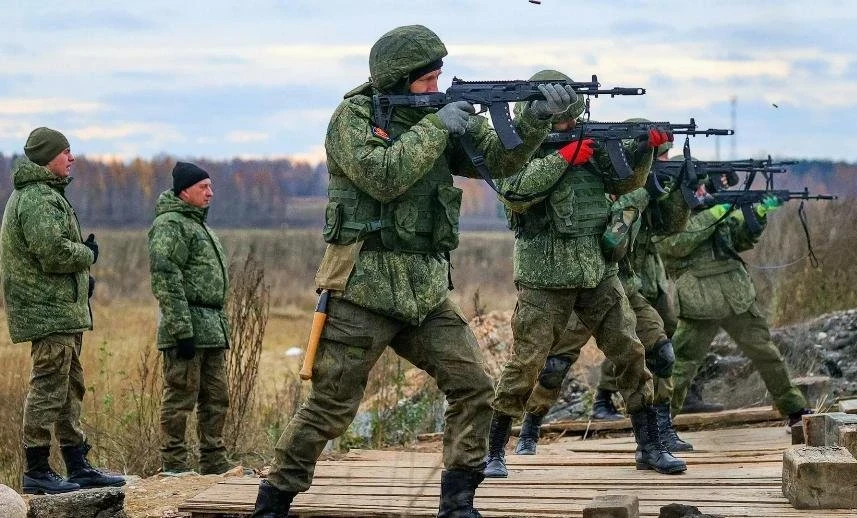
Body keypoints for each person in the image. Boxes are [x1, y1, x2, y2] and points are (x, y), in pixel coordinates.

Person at [251, 26, 577, 518]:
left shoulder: (441, 115)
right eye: (426, 79)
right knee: (330, 407)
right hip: (361, 288)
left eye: (438, 77)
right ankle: (272, 502)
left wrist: (534, 119)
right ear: (397, 80)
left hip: (425, 293)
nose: (435, 87)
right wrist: (438, 126)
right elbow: (383, 176)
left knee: (473, 389)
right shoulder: (354, 117)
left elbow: (501, 162)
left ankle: (458, 502)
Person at [486, 71, 686, 479]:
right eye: (563, 120)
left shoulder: (586, 147)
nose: (571, 125)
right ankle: (494, 451)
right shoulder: (515, 150)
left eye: (573, 118)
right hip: (544, 278)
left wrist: (643, 150)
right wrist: (564, 158)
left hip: (597, 272)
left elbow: (625, 182)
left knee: (631, 354)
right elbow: (515, 192)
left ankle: (650, 446)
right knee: (527, 364)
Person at [514, 141, 695, 457]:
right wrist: (642, 195)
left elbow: (671, 225)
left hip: (626, 289)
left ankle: (660, 431)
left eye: (665, 155)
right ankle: (530, 428)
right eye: (658, 155)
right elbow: (611, 240)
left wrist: (682, 192)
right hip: (588, 287)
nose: (663, 161)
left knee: (662, 353)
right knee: (555, 365)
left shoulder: (645, 190)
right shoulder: (610, 184)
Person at [1, 127, 125, 494]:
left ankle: (77, 464)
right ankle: (37, 471)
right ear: (47, 157)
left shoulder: (47, 194)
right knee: (48, 388)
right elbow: (53, 253)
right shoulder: (38, 198)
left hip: (61, 312)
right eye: (65, 151)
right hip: (48, 314)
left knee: (70, 388)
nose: (72, 158)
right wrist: (87, 255)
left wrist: (81, 282)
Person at [657, 184, 811, 427]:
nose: (702, 191)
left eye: (703, 186)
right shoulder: (669, 213)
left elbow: (739, 240)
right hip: (701, 299)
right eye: (696, 186)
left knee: (766, 353)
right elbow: (675, 245)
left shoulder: (710, 210)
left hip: (736, 295)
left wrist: (757, 213)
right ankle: (660, 424)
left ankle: (795, 410)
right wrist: (717, 212)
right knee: (682, 363)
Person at [148, 161, 232, 476]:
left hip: (211, 328)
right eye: (203, 187)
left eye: (210, 186)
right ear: (185, 191)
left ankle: (214, 461)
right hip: (187, 330)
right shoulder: (171, 224)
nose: (210, 192)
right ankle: (174, 464)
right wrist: (182, 331)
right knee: (180, 398)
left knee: (216, 397)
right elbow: (166, 279)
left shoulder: (198, 224)